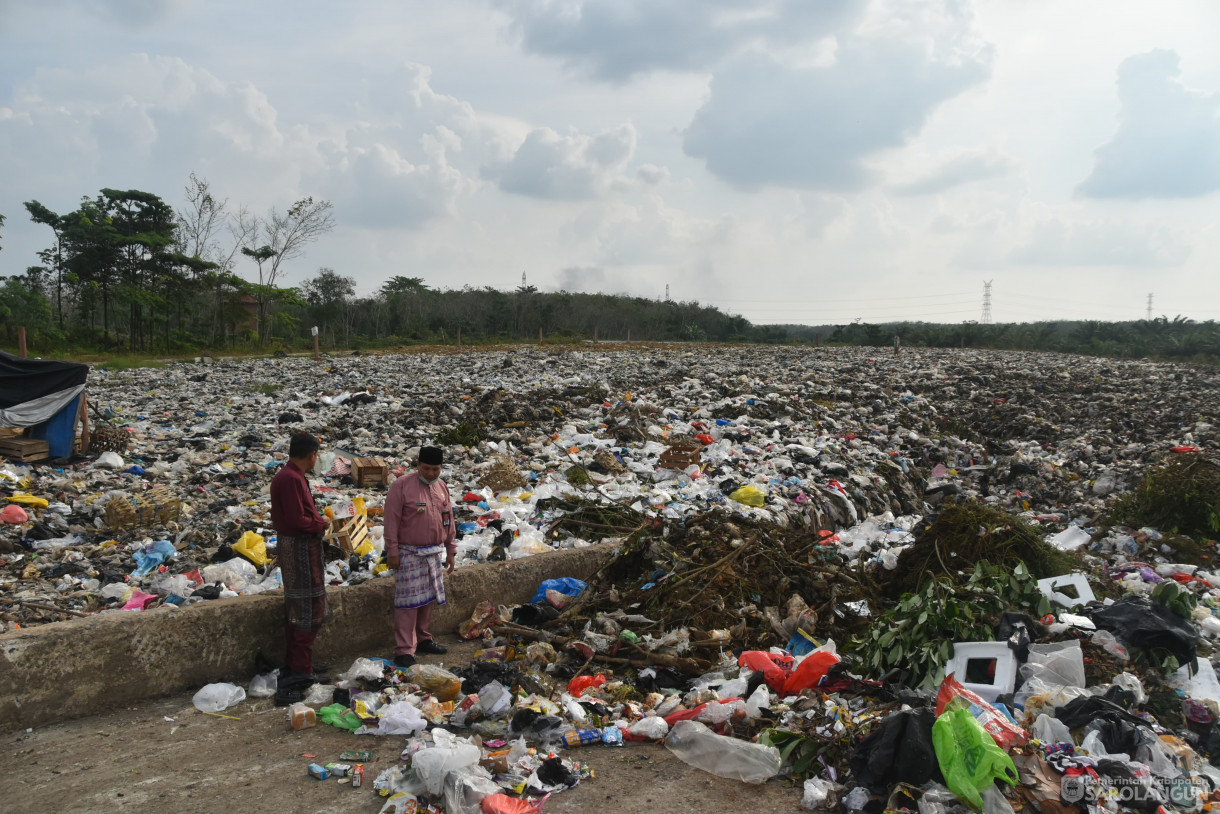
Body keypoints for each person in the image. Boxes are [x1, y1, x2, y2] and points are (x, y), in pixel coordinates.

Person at [384, 445, 456, 668]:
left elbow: (448, 519)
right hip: (408, 554)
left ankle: (424, 639)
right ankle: (404, 649)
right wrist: (392, 551)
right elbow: (391, 521)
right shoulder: (401, 486)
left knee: (427, 600)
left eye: (435, 469)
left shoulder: (442, 487)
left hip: (434, 552)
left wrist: (450, 548)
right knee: (408, 604)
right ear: (418, 466)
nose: (431, 474)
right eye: (426, 469)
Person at [269, 432, 330, 698]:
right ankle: (301, 669)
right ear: (312, 454)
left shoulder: (293, 477)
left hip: (303, 550)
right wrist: (322, 523)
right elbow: (296, 520)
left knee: (304, 608)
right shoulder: (291, 479)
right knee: (305, 610)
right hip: (299, 551)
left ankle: (300, 664)